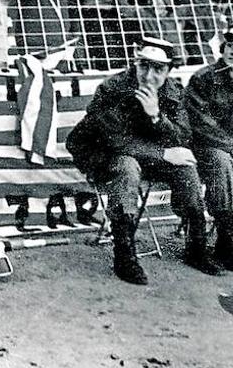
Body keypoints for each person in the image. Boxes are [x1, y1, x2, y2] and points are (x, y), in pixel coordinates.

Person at [66, 36, 221, 285]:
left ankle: (196, 248)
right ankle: (124, 256)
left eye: (158, 69)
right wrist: (163, 154)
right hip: (100, 153)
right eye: (144, 66)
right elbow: (113, 141)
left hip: (143, 155)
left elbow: (183, 136)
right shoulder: (112, 88)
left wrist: (157, 117)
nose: (149, 76)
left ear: (169, 71)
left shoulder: (172, 91)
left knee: (186, 168)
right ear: (135, 64)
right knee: (126, 166)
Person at [183, 30, 233, 272]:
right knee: (221, 161)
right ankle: (226, 236)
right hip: (205, 147)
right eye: (230, 44)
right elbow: (200, 122)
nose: (232, 50)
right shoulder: (203, 78)